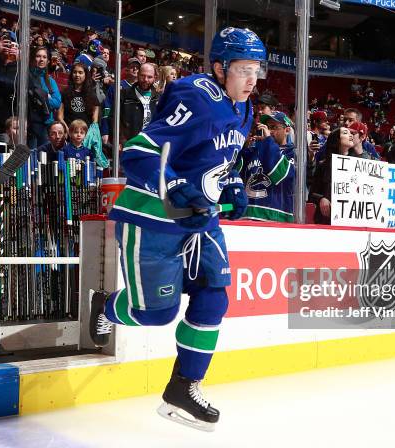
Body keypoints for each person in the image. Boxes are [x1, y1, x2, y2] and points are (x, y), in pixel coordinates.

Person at [88, 27, 267, 431]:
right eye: (243, 69)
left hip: (201, 222)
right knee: (157, 315)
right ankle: (105, 305)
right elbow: (137, 152)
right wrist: (173, 185)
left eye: (257, 70)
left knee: (214, 296)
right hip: (155, 218)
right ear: (220, 68)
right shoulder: (196, 96)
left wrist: (233, 183)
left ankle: (183, 387)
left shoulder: (245, 108)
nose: (252, 79)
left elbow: (218, 158)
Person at [238, 111, 295, 222]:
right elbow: (233, 171)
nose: (269, 130)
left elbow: (278, 174)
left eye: (273, 127)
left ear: (287, 130)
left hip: (276, 218)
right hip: (246, 217)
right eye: (268, 127)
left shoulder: (293, 153)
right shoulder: (254, 151)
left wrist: (268, 141)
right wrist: (242, 144)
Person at [309, 127, 354, 224]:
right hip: (326, 219)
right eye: (345, 133)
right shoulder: (323, 165)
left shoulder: (358, 165)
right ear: (337, 139)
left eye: (351, 133)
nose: (351, 135)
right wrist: (321, 199)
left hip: (349, 221)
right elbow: (311, 194)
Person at [28, 46, 61, 148]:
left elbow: (57, 102)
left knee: (43, 159)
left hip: (46, 126)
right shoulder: (26, 76)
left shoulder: (51, 81)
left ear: (48, 61)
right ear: (33, 58)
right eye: (38, 56)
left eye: (44, 57)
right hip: (29, 125)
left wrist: (43, 97)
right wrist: (48, 97)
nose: (41, 59)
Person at [118, 62, 159, 141]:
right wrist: (121, 140)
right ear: (138, 74)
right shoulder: (124, 94)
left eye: (149, 77)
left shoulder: (159, 98)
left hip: (150, 143)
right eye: (142, 76)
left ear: (155, 78)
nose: (145, 80)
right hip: (129, 142)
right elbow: (114, 119)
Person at [58, 62, 99, 129]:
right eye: (75, 72)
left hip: (86, 134)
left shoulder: (92, 94)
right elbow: (60, 116)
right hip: (69, 132)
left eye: (80, 72)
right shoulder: (64, 93)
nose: (77, 75)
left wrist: (91, 132)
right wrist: (67, 130)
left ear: (85, 75)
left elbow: (95, 118)